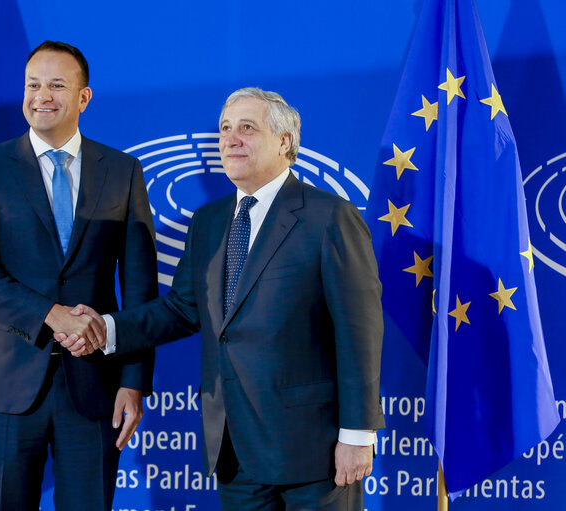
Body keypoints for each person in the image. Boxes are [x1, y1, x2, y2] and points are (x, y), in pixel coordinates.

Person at [59, 88, 385, 510]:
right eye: (225, 129)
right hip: (232, 447)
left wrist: (357, 437)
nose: (230, 139)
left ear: (284, 142)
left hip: (314, 450)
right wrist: (107, 329)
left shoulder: (329, 217)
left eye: (247, 128)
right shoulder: (209, 221)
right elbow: (182, 308)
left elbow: (359, 332)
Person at [0, 41, 156, 511]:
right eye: (33, 84)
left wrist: (133, 380)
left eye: (56, 85)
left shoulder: (122, 171)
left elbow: (141, 287)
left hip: (95, 387)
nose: (41, 96)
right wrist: (52, 316)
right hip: (7, 381)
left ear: (83, 97)